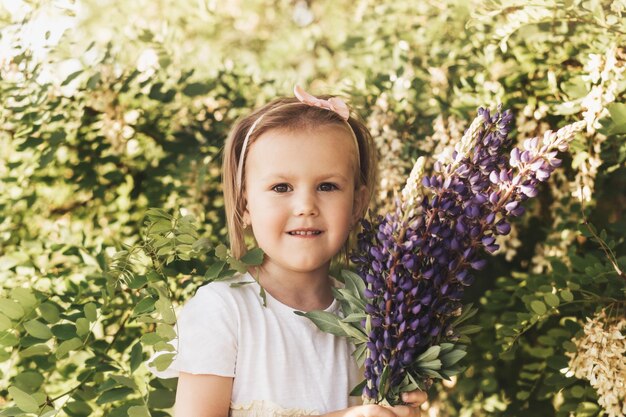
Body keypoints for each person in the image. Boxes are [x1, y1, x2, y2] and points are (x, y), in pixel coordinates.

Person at [150, 86, 428, 416]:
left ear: (356, 203)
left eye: (327, 186)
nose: (305, 206)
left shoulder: (375, 318)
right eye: (281, 187)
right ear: (245, 204)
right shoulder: (223, 311)